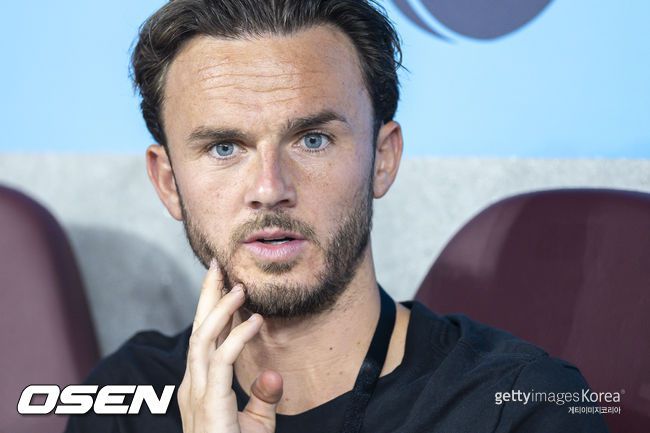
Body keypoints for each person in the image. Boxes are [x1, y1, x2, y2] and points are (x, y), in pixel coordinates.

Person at [65, 1, 609, 432]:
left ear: (383, 159)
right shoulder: (124, 400)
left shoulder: (519, 407)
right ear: (168, 182)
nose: (270, 189)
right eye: (225, 148)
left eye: (313, 139)